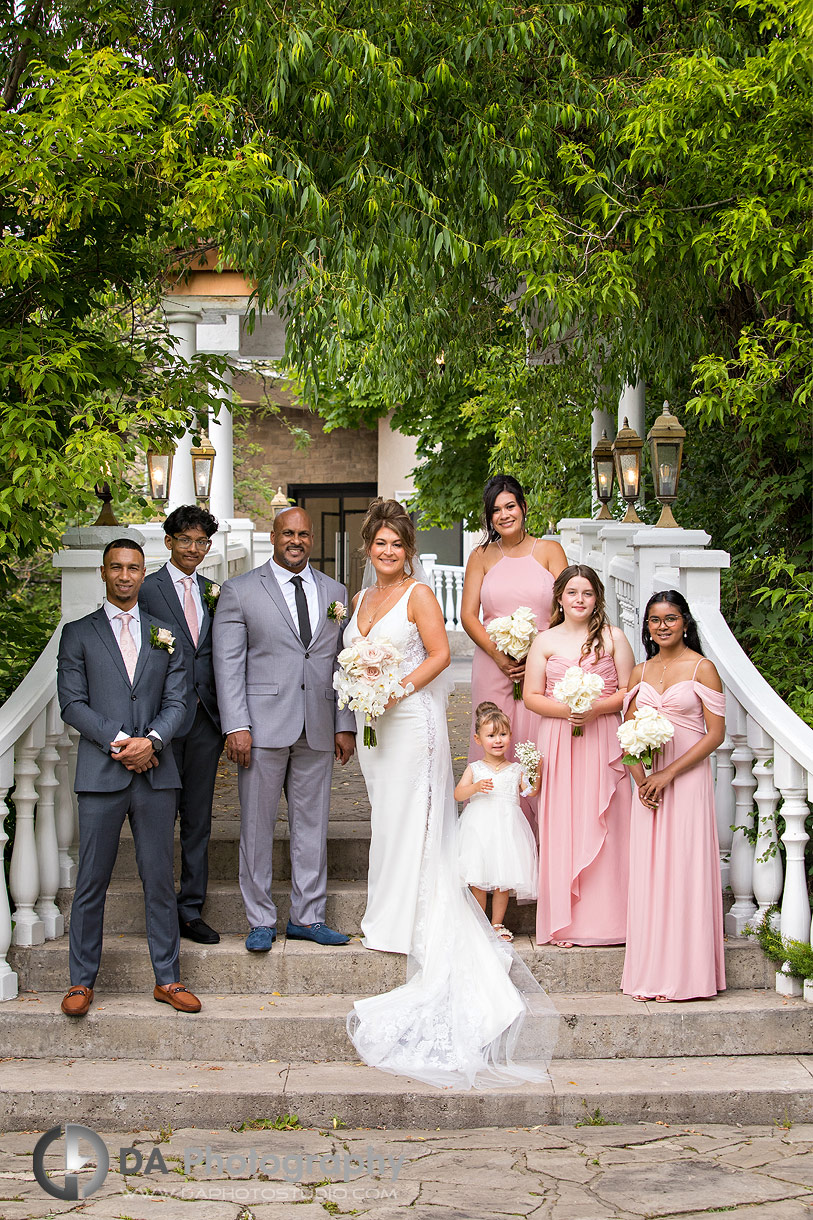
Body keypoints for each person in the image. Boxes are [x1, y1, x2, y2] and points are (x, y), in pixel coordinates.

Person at [344, 499, 558, 1089]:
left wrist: (393, 687)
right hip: (373, 728)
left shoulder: (418, 595)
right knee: (385, 818)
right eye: (379, 543)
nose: (388, 552)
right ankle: (383, 911)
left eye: (397, 544)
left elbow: (439, 656)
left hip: (410, 721)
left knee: (414, 815)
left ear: (408, 550)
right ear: (368, 547)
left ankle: (405, 916)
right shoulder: (360, 601)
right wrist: (363, 690)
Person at [57, 539, 201, 1016]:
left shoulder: (166, 633)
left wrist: (153, 741)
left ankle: (168, 979)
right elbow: (72, 704)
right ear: (103, 573)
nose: (124, 575)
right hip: (102, 774)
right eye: (116, 567)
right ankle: (81, 982)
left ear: (144, 573)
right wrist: (122, 742)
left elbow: (179, 702)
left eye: (133, 568)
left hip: (157, 775)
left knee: (159, 879)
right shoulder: (77, 633)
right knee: (91, 882)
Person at [213, 506, 356, 951]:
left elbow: (341, 663)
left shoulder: (335, 591)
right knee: (256, 826)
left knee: (312, 824)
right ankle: (259, 918)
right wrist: (236, 724)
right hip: (260, 727)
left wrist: (344, 723)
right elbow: (228, 664)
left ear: (312, 539)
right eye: (288, 533)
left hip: (317, 722)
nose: (296, 541)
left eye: (304, 534)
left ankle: (308, 917)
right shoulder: (239, 591)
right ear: (273, 537)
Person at [621, 591, 726, 1002]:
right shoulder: (640, 673)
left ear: (685, 622)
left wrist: (667, 774)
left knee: (684, 870)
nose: (661, 626)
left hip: (686, 781)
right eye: (653, 620)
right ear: (646, 626)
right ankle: (651, 972)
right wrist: (640, 779)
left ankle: (687, 975)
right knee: (651, 874)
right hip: (648, 788)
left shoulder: (703, 668)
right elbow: (626, 734)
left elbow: (714, 734)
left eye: (670, 618)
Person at [523, 565, 634, 947]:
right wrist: (567, 711)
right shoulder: (545, 641)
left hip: (602, 735)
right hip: (558, 737)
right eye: (572, 593)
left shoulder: (613, 637)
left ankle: (611, 919)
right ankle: (564, 923)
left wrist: (597, 708)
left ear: (597, 598)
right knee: (565, 820)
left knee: (607, 820)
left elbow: (629, 691)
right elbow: (531, 696)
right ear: (559, 598)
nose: (580, 600)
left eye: (587, 593)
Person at [461, 475, 567, 823]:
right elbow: (468, 615)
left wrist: (537, 651)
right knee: (494, 743)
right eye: (496, 510)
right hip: (493, 667)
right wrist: (499, 655)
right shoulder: (481, 556)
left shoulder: (550, 551)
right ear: (489, 518)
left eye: (510, 506)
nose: (504, 515)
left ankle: (544, 841)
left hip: (544, 666)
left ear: (523, 507)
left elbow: (565, 607)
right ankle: (494, 846)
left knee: (539, 746)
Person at [139, 505, 223, 945]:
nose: (193, 548)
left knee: (198, 819)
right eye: (185, 540)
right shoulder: (147, 590)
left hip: (207, 721)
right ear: (169, 542)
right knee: (158, 818)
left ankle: (191, 910)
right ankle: (158, 908)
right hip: (161, 724)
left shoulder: (215, 591)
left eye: (201, 541)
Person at [454, 702, 539, 942]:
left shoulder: (516, 769)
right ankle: (478, 922)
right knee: (478, 879)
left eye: (502, 734)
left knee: (503, 880)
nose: (498, 740)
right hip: (478, 830)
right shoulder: (475, 768)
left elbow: (530, 792)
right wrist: (475, 787)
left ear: (510, 737)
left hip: (507, 830)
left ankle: (497, 923)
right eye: (491, 735)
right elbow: (458, 794)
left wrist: (536, 771)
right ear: (478, 739)